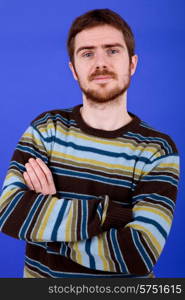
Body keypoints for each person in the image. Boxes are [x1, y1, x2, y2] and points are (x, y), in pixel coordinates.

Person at [0, 8, 179, 278]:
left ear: (132, 64)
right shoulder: (46, 129)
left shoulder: (158, 149)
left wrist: (49, 217)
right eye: (87, 53)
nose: (100, 63)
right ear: (74, 69)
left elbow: (139, 252)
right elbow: (10, 212)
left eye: (112, 50)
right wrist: (107, 214)